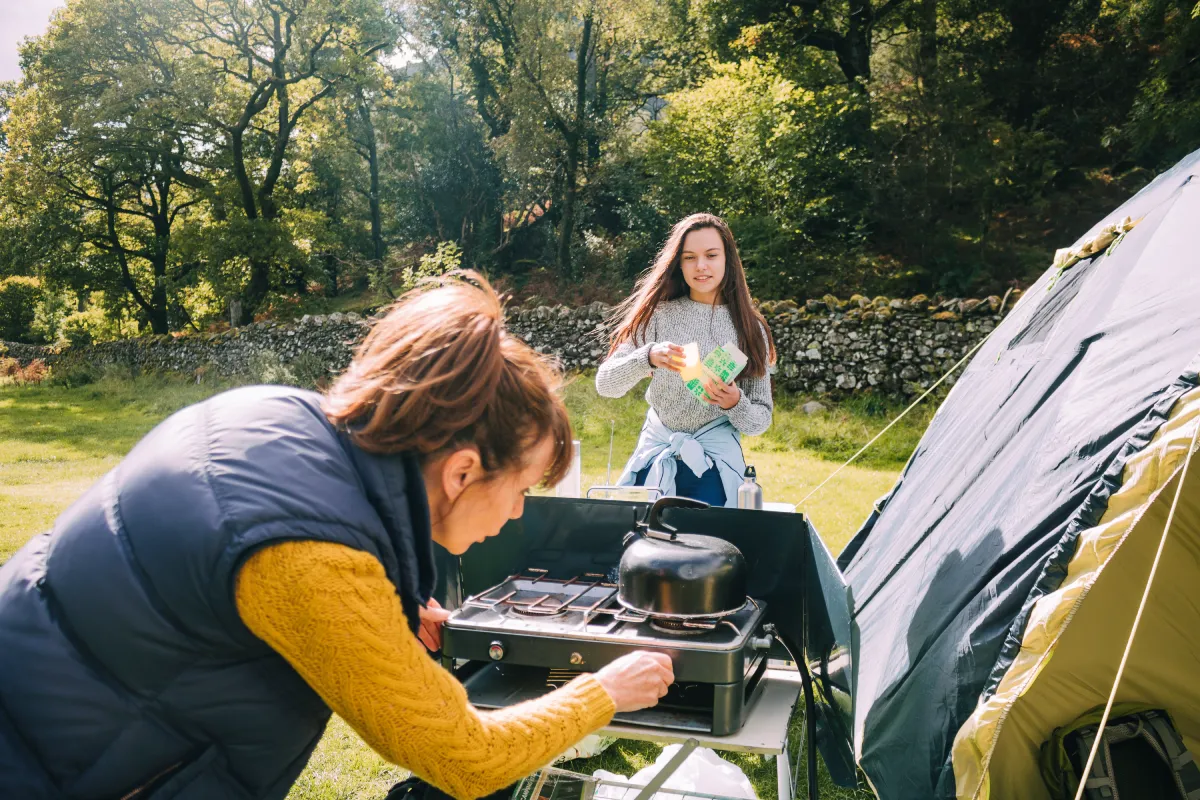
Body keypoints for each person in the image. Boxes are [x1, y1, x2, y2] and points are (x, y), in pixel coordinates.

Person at [0, 273, 674, 800]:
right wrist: (604, 691)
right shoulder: (313, 564)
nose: (519, 515)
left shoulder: (275, 410)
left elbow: (223, 569)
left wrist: (387, 605)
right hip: (52, 772)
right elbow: (463, 758)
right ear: (463, 471)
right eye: (522, 489)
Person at [596, 213, 777, 507]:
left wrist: (734, 402)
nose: (701, 266)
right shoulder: (658, 315)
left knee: (706, 547)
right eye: (689, 257)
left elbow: (760, 421)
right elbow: (606, 384)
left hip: (714, 468)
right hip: (656, 457)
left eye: (711, 255)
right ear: (678, 263)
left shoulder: (749, 328)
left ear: (728, 260)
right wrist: (648, 357)